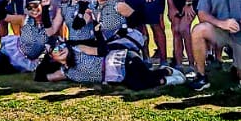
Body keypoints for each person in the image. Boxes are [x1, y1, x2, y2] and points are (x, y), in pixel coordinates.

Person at [43, 41, 184, 90]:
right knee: (136, 85)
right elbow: (46, 77)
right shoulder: (67, 72)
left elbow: (101, 51)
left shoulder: (78, 49)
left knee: (141, 80)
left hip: (122, 59)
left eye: (61, 46)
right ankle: (164, 76)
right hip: (117, 76)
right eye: (55, 50)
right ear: (52, 58)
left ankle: (166, 72)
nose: (60, 50)